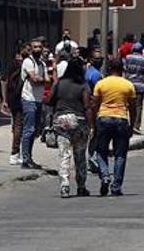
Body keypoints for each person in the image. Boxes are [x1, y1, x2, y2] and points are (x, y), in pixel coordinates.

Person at [91, 57, 135, 196]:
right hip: (121, 119)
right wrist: (132, 125)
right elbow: (133, 108)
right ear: (122, 69)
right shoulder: (128, 85)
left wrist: (93, 124)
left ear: (109, 69)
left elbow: (95, 105)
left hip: (103, 118)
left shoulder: (101, 84)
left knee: (100, 151)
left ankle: (104, 176)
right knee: (120, 154)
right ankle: (116, 186)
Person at [48, 55, 92, 197]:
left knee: (64, 154)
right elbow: (87, 106)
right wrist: (91, 125)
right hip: (79, 121)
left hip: (61, 122)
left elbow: (49, 100)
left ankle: (65, 184)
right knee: (80, 156)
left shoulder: (59, 84)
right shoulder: (83, 85)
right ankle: (81, 186)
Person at [19, 38, 48, 169]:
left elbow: (47, 80)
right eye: (35, 47)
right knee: (29, 129)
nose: (37, 49)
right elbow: (35, 79)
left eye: (39, 47)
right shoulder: (27, 62)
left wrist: (41, 79)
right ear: (30, 49)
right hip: (28, 99)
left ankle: (29, 157)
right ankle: (25, 159)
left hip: (38, 99)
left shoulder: (42, 64)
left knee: (36, 130)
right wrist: (41, 80)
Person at [122, 43, 144, 134]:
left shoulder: (127, 58)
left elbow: (124, 68)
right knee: (138, 106)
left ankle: (126, 124)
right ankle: (136, 126)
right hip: (140, 85)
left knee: (127, 105)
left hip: (128, 85)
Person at [5, 45, 27, 166]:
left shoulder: (12, 65)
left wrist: (6, 99)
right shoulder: (24, 66)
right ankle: (15, 153)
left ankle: (16, 152)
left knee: (16, 125)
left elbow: (7, 82)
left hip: (12, 98)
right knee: (19, 125)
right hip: (22, 98)